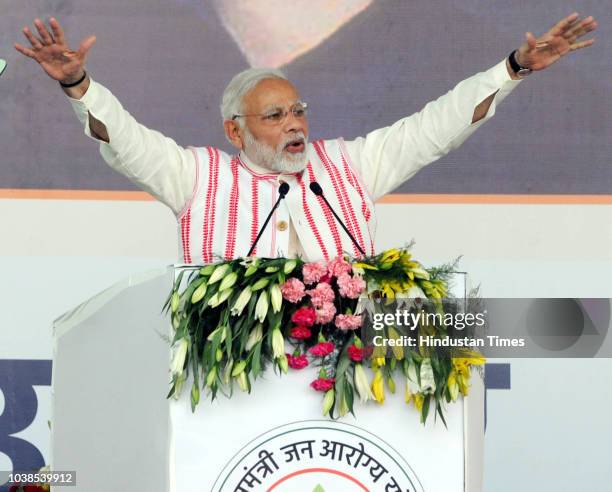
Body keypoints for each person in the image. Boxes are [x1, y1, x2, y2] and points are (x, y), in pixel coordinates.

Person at [15, 14, 597, 263]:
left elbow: (436, 127)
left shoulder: (348, 166)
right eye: (275, 116)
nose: (294, 123)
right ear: (234, 130)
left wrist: (513, 68)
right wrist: (78, 84)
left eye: (298, 110)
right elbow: (126, 141)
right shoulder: (199, 177)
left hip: (344, 387)